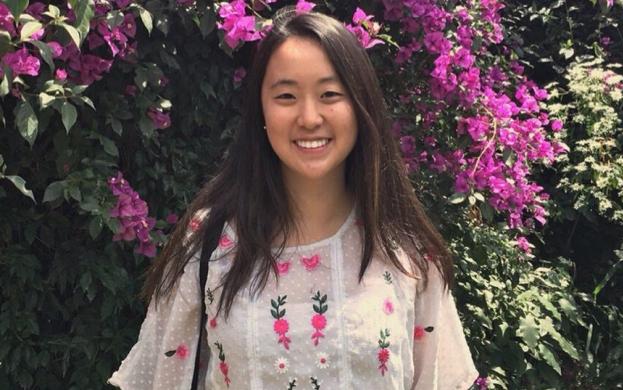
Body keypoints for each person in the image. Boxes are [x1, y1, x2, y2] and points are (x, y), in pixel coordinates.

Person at [109, 8, 478, 390]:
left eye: (330, 94)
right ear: (261, 112)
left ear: (360, 106)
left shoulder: (408, 253)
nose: (309, 116)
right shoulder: (211, 242)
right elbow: (159, 379)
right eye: (286, 95)